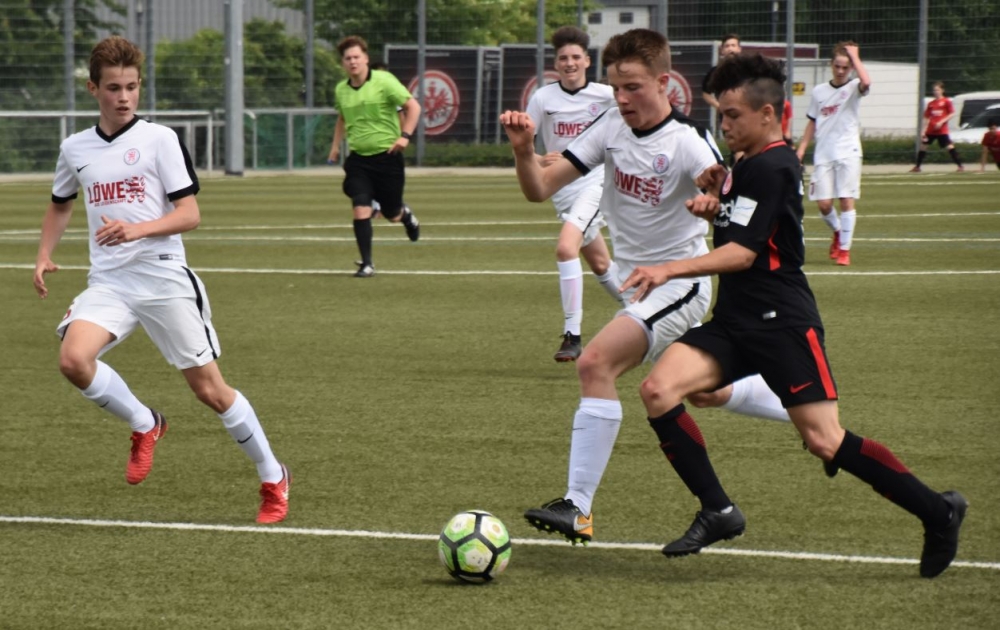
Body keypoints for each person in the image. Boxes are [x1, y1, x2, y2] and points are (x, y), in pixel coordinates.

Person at [620, 52, 966, 578]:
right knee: (659, 390)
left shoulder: (774, 164)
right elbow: (744, 225)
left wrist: (668, 268)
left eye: (733, 115)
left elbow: (743, 254)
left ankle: (939, 512)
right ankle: (718, 509)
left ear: (768, 114)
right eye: (721, 115)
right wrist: (713, 198)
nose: (724, 125)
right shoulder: (746, 161)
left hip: (781, 322)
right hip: (735, 319)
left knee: (825, 440)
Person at [502, 29, 792, 546]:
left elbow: (728, 194)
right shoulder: (610, 126)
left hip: (681, 283)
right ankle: (794, 403)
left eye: (632, 87)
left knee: (595, 363)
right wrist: (525, 150)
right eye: (616, 87)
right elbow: (539, 189)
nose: (621, 98)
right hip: (637, 285)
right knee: (704, 391)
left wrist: (713, 198)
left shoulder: (687, 140)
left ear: (663, 82)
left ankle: (578, 507)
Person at [32, 36, 290, 524]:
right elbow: (60, 203)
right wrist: (44, 254)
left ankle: (273, 475)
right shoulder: (75, 148)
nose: (124, 97)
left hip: (163, 276)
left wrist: (137, 229)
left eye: (132, 87)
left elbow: (190, 214)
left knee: (210, 391)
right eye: (114, 88)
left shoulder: (160, 139)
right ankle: (145, 422)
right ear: (93, 88)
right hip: (110, 282)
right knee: (73, 359)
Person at [524, 25, 622, 362]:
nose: (569, 63)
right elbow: (523, 146)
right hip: (562, 187)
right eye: (563, 57)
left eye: (575, 57)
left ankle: (572, 335)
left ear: (587, 61)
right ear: (556, 63)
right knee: (600, 263)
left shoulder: (606, 95)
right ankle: (649, 312)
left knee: (566, 248)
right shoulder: (542, 98)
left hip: (597, 181)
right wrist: (539, 159)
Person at [328, 35, 421, 278]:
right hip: (359, 160)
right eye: (348, 58)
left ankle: (406, 216)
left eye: (356, 57)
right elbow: (342, 118)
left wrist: (405, 136)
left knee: (392, 214)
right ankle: (367, 264)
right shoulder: (341, 90)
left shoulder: (384, 81)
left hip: (387, 158)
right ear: (343, 63)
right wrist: (335, 146)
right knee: (361, 207)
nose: (352, 61)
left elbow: (413, 107)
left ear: (366, 59)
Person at [796, 42, 871, 267]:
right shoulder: (819, 91)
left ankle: (845, 251)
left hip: (849, 152)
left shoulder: (855, 87)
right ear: (831, 65)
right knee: (824, 205)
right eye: (837, 66)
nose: (840, 71)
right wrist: (801, 149)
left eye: (845, 67)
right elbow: (812, 122)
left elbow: (867, 82)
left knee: (846, 200)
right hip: (824, 154)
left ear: (851, 68)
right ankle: (838, 231)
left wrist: (855, 56)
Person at [911, 82, 964, 173]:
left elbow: (951, 114)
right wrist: (923, 130)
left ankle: (960, 166)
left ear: (942, 90)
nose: (935, 92)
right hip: (931, 130)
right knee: (923, 146)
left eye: (937, 90)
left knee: (949, 146)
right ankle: (917, 167)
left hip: (941, 130)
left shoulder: (946, 101)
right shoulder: (931, 103)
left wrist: (941, 122)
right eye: (934, 90)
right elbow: (926, 117)